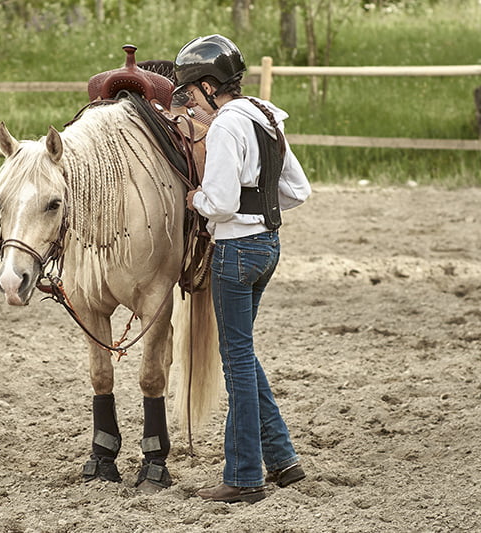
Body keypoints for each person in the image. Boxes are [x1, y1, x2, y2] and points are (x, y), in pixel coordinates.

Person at [173, 34, 311, 504]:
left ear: (209, 86)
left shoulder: (226, 127)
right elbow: (297, 190)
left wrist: (197, 200)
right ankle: (283, 459)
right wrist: (259, 208)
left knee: (235, 364)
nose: (191, 103)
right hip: (268, 247)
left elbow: (221, 202)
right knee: (243, 354)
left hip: (234, 254)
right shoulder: (266, 116)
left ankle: (244, 476)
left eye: (191, 93)